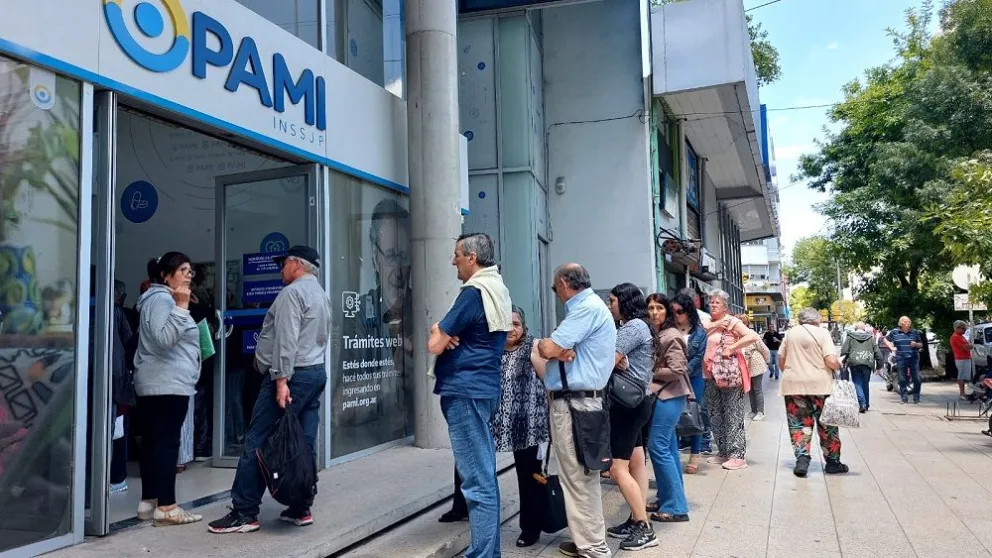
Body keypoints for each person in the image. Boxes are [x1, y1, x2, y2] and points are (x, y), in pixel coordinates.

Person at [208, 245, 331, 534]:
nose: (280, 269)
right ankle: (301, 506)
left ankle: (244, 511)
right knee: (303, 443)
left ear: (297, 264)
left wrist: (281, 380)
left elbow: (286, 340)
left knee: (258, 440)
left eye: (283, 263)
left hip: (292, 376)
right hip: (314, 372)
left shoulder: (292, 294)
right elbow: (323, 337)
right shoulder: (321, 294)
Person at [426, 233, 511, 557]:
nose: (453, 262)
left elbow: (434, 344)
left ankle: (484, 554)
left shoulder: (473, 293)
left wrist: (438, 329)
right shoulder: (497, 288)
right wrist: (445, 333)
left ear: (472, 258)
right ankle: (488, 551)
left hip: (465, 391)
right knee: (483, 476)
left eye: (457, 256)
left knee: (477, 481)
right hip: (483, 389)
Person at [441, 306, 550, 549]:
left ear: (524, 327)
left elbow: (550, 383)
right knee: (468, 462)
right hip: (490, 419)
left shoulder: (533, 347)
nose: (511, 329)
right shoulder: (488, 347)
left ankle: (530, 528)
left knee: (529, 476)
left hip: (527, 423)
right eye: (506, 324)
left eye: (516, 324)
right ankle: (461, 507)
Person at [537, 264, 615, 558]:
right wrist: (559, 350)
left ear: (563, 283)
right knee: (579, 476)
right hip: (581, 403)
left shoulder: (585, 308)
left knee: (579, 477)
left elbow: (548, 348)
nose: (556, 293)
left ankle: (593, 547)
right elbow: (557, 349)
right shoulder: (590, 307)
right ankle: (586, 540)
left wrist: (553, 347)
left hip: (575, 405)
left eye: (554, 288)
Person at [133, 252, 203, 526]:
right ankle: (167, 507)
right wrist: (182, 308)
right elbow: (165, 340)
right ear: (164, 275)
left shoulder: (155, 299)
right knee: (166, 443)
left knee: (153, 442)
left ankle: (149, 501)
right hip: (167, 382)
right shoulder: (163, 299)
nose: (188, 275)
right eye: (182, 270)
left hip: (158, 381)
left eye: (190, 270)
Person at [603, 284, 658, 551]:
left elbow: (605, 361)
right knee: (636, 464)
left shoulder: (632, 327)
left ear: (624, 302)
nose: (609, 305)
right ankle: (637, 518)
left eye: (612, 301)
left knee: (617, 468)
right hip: (638, 402)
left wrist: (614, 359)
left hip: (627, 405)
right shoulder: (640, 326)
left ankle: (644, 528)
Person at [779, 308, 849, 477]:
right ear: (817, 319)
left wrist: (793, 373)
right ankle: (832, 462)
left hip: (794, 385)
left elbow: (781, 359)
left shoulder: (790, 333)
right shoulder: (822, 333)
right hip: (821, 386)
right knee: (827, 424)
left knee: (798, 423)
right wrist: (839, 364)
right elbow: (830, 360)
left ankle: (802, 459)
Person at [645, 295, 692, 525]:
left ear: (668, 311)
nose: (655, 312)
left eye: (659, 308)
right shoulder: (660, 333)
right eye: (651, 308)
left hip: (670, 396)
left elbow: (677, 369)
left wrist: (648, 371)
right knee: (668, 449)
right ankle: (667, 497)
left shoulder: (671, 335)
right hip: (664, 395)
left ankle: (675, 507)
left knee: (658, 446)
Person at [702, 291, 758, 471]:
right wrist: (715, 324)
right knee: (715, 414)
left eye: (717, 302)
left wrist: (732, 347)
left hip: (730, 376)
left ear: (725, 307)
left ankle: (737, 456)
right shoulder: (708, 322)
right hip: (710, 375)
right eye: (711, 302)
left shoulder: (732, 321)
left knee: (733, 414)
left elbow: (752, 336)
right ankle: (724, 451)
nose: (713, 305)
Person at [669, 292, 710, 475]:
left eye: (680, 311)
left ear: (688, 311)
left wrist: (682, 369)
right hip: (671, 378)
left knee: (694, 414)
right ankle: (674, 452)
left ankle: (695, 454)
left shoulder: (700, 333)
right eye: (673, 312)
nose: (676, 315)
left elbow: (699, 357)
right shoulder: (669, 330)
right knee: (673, 414)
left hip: (693, 377)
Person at [840, 322, 884, 412]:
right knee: (865, 383)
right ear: (864, 329)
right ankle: (866, 404)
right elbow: (877, 353)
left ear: (855, 329)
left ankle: (862, 403)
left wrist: (843, 361)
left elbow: (844, 350)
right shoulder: (870, 338)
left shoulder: (850, 337)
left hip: (854, 362)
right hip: (867, 362)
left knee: (857, 383)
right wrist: (879, 365)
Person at [884, 316, 924, 404]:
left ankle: (916, 398)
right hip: (901, 358)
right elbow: (885, 340)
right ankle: (904, 398)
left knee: (917, 378)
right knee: (902, 379)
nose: (908, 323)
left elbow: (921, 344)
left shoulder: (915, 332)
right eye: (905, 322)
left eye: (909, 321)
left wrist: (916, 344)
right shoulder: (895, 332)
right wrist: (892, 348)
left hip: (914, 358)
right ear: (900, 323)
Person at [738, 314, 770, 421]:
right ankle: (753, 411)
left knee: (757, 389)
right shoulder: (737, 335)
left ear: (746, 323)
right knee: (750, 390)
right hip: (745, 366)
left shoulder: (751, 333)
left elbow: (764, 349)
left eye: (741, 322)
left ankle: (760, 412)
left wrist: (767, 361)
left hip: (756, 363)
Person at [950, 321, 973, 400]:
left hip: (964, 358)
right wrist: (970, 345)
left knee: (963, 376)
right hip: (961, 358)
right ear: (957, 328)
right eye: (963, 329)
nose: (965, 330)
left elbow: (967, 345)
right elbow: (967, 347)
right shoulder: (956, 337)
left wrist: (969, 345)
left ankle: (963, 393)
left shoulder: (960, 336)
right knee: (961, 376)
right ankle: (962, 393)